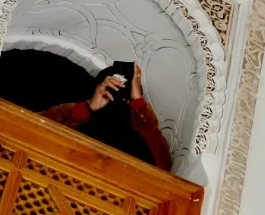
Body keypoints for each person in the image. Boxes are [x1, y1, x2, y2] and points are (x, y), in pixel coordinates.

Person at [41, 63, 173, 172]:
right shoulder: (77, 123)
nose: (114, 100)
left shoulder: (135, 137)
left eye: (124, 98)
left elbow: (162, 171)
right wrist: (88, 108)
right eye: (108, 93)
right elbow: (35, 128)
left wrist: (138, 104)